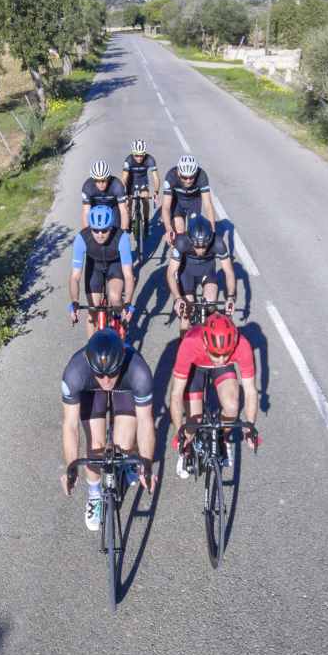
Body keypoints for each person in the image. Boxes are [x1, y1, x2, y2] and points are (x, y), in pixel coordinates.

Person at [61, 329, 157, 531]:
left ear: (121, 362)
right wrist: (70, 468)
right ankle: (95, 495)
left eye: (111, 373)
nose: (106, 381)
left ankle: (128, 461)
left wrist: (146, 464)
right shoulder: (74, 372)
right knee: (95, 447)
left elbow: (146, 421)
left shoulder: (138, 371)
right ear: (89, 364)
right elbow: (70, 425)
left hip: (126, 386)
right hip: (89, 390)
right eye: (100, 374)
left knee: (125, 444)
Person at [169, 313, 259, 479]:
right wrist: (179, 432)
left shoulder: (242, 345)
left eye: (227, 353)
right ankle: (186, 451)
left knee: (232, 406)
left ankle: (222, 439)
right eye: (216, 354)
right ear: (205, 342)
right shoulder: (189, 343)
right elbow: (175, 394)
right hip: (195, 367)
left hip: (223, 370)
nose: (221, 359)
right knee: (192, 424)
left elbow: (251, 390)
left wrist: (250, 426)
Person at [69, 205, 136, 338]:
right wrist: (75, 302)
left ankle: (119, 317)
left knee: (115, 297)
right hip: (94, 267)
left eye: (104, 230)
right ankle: (91, 351)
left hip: (114, 266)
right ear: (90, 228)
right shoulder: (82, 238)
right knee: (92, 310)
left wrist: (128, 303)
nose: (100, 234)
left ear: (111, 227)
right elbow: (75, 277)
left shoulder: (121, 238)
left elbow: (129, 276)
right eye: (96, 230)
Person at [166, 216, 236, 336]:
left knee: (210, 304)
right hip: (187, 273)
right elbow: (170, 273)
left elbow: (229, 272)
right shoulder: (181, 242)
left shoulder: (218, 242)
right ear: (190, 239)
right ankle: (182, 345)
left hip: (207, 271)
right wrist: (178, 298)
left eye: (204, 246)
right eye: (197, 246)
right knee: (186, 313)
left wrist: (230, 297)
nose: (201, 250)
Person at [160, 154, 217, 245]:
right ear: (178, 172)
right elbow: (166, 206)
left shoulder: (202, 175)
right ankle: (177, 255)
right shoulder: (171, 176)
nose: (188, 180)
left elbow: (208, 205)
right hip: (177, 202)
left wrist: (213, 231)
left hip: (194, 202)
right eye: (184, 177)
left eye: (191, 177)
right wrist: (169, 229)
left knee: (194, 232)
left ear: (196, 173)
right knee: (178, 230)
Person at [81, 159, 129, 231]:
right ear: (93, 179)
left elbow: (123, 211)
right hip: (95, 209)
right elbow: (86, 212)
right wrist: (87, 235)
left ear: (108, 178)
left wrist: (123, 234)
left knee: (116, 232)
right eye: (97, 181)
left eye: (103, 180)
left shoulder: (117, 185)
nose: (101, 184)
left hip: (113, 208)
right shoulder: (88, 186)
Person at [120, 139, 160, 211]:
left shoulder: (150, 160)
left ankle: (146, 220)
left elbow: (156, 178)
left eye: (141, 155)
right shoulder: (128, 160)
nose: (139, 158)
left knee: (145, 200)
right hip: (131, 182)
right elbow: (124, 178)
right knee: (129, 202)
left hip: (143, 181)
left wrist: (156, 192)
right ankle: (129, 221)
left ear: (144, 153)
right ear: (133, 153)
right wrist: (122, 193)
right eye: (136, 155)